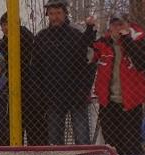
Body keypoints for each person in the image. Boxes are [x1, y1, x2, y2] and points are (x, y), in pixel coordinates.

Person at [31, 0, 96, 145]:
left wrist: (83, 90)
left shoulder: (76, 36)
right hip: (53, 96)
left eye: (58, 13)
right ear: (48, 15)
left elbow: (89, 65)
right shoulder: (41, 38)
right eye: (52, 14)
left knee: (82, 138)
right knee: (55, 141)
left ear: (65, 14)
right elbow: (36, 69)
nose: (55, 17)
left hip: (76, 94)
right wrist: (40, 94)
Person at [91, 15, 145, 155]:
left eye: (121, 25)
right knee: (113, 145)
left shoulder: (138, 41)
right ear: (109, 27)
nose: (118, 29)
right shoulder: (103, 43)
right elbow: (85, 56)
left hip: (131, 102)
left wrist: (126, 40)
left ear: (127, 26)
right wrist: (89, 30)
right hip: (108, 102)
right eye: (114, 25)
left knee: (131, 145)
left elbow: (142, 63)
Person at [0, 12, 46, 145]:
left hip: (31, 92)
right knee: (13, 128)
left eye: (8, 24)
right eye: (3, 25)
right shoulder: (1, 45)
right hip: (10, 93)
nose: (6, 28)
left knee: (35, 127)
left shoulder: (28, 39)